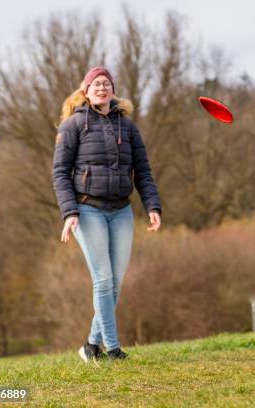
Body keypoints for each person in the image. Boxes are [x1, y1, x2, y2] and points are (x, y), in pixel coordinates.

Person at [52, 66, 162, 362]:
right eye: (96, 84)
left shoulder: (128, 127)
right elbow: (60, 173)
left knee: (115, 282)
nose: (101, 88)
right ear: (85, 91)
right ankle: (112, 349)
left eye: (106, 84)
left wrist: (152, 205)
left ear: (112, 90)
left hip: (121, 210)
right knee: (102, 280)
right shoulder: (73, 125)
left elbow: (144, 171)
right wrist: (69, 212)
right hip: (87, 209)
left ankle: (90, 346)